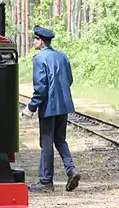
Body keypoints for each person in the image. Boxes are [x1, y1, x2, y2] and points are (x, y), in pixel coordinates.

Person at [21, 25, 81, 193]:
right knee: (60, 140)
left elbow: (40, 88)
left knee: (46, 143)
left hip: (48, 107)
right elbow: (69, 80)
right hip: (64, 106)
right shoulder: (63, 57)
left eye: (35, 39)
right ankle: (71, 170)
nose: (33, 41)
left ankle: (46, 182)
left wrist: (31, 107)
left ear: (41, 41)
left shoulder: (39, 59)